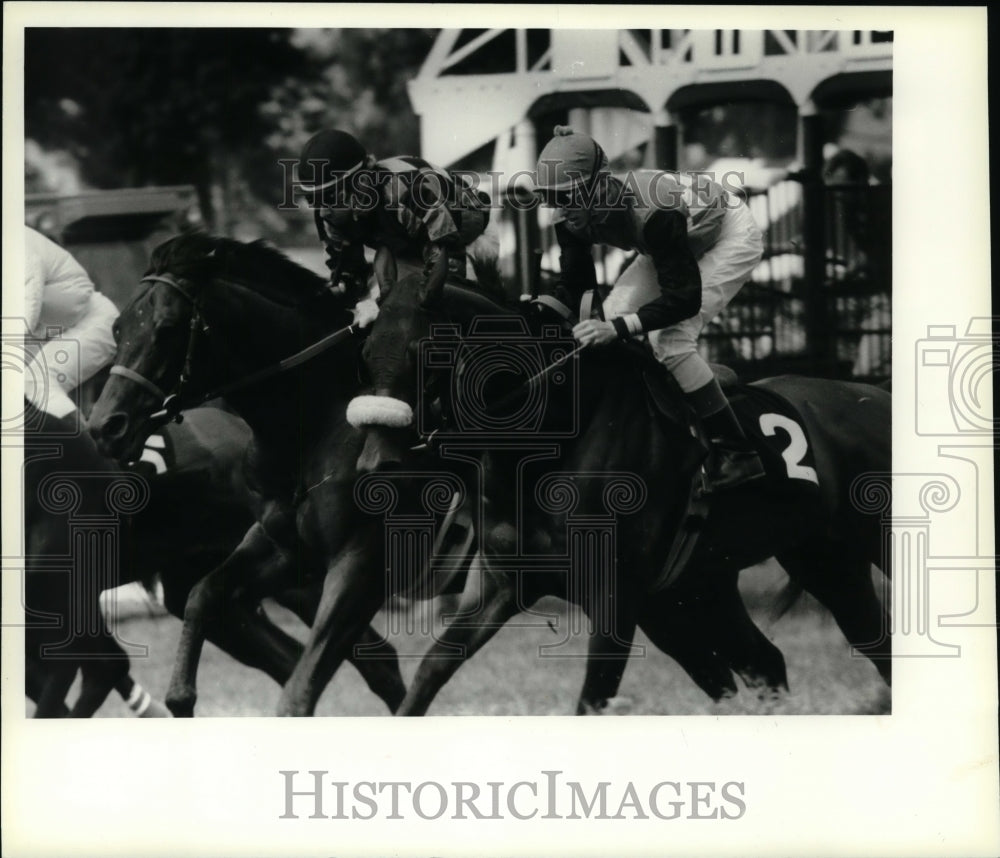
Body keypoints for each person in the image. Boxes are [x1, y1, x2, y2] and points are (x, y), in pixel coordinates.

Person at [534, 126, 766, 492]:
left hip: (728, 236)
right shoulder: (570, 217)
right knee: (607, 324)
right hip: (674, 245)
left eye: (568, 196)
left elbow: (684, 298)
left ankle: (739, 452)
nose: (560, 208)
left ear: (598, 188)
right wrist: (544, 307)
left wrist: (619, 328)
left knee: (670, 340)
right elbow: (579, 288)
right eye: (551, 196)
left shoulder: (653, 214)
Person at [296, 129, 493, 326]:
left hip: (466, 221)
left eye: (330, 198)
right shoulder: (329, 213)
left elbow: (447, 259)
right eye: (313, 200)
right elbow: (347, 275)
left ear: (361, 183)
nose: (322, 212)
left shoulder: (405, 193)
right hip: (405, 230)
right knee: (381, 287)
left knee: (431, 298)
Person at [23, 226, 118, 419]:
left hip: (93, 322)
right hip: (60, 331)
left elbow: (29, 298)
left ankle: (83, 449)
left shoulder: (15, 243)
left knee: (38, 382)